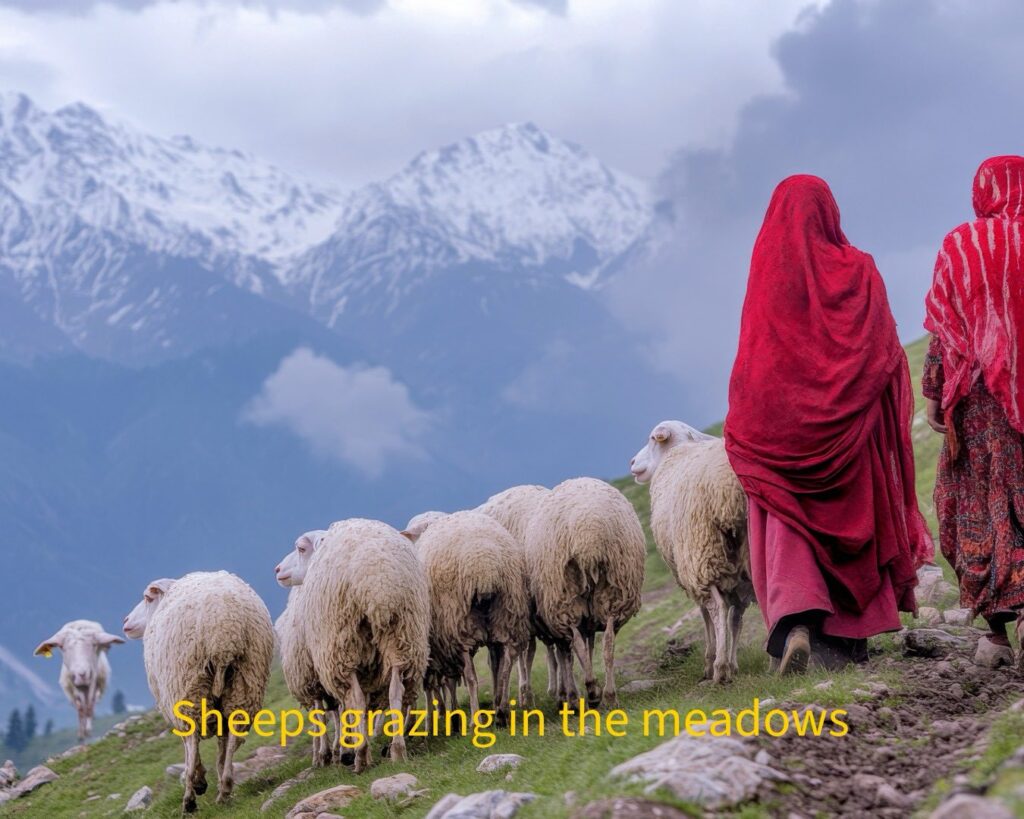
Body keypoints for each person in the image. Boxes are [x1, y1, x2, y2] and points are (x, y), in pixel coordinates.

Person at [725, 175, 933, 674]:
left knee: (788, 519)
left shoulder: (766, 273)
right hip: (847, 430)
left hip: (775, 429)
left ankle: (798, 623)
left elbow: (754, 358)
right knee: (851, 515)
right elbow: (883, 355)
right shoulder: (859, 271)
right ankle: (847, 636)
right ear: (830, 214)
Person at [923, 155, 1024, 669]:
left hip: (981, 403)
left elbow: (946, 327)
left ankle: (998, 635)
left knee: (974, 503)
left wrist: (937, 393)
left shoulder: (961, 245)